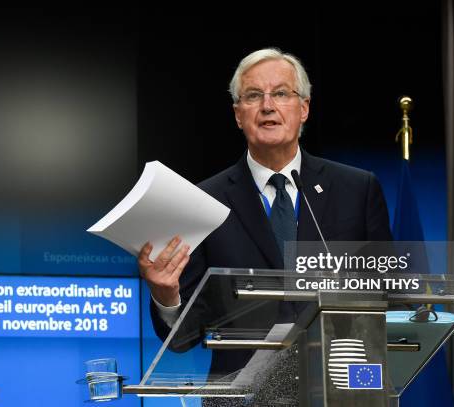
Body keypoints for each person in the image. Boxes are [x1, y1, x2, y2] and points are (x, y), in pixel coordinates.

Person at [138, 48, 392, 376]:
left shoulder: (357, 190)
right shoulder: (202, 201)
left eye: (282, 93)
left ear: (304, 108)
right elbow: (182, 339)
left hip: (338, 383)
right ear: (237, 114)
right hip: (241, 392)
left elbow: (386, 292)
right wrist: (165, 295)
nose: (268, 106)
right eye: (254, 95)